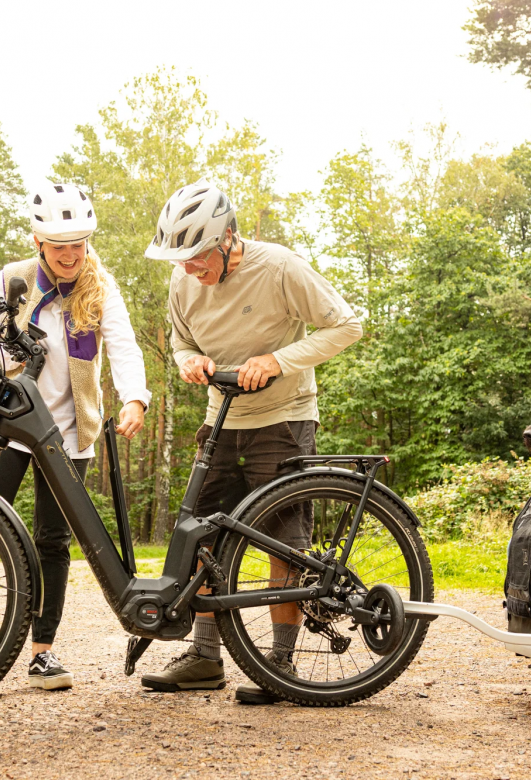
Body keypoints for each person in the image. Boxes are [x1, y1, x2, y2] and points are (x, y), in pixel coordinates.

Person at [139, 181, 363, 704]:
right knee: (200, 536)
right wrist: (186, 361)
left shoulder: (280, 267)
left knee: (281, 540)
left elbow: (347, 326)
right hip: (222, 417)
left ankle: (281, 663)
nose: (189, 269)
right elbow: (180, 341)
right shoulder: (182, 282)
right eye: (180, 259)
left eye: (197, 257)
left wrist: (278, 361)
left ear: (228, 239)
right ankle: (204, 658)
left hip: (283, 418)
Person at [0, 183, 151, 692]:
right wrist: (10, 356)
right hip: (10, 423)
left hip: (69, 432)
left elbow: (123, 344)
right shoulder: (11, 279)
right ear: (37, 241)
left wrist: (135, 397)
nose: (71, 254)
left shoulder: (100, 286)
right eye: (60, 246)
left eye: (79, 243)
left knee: (52, 541)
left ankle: (43, 653)